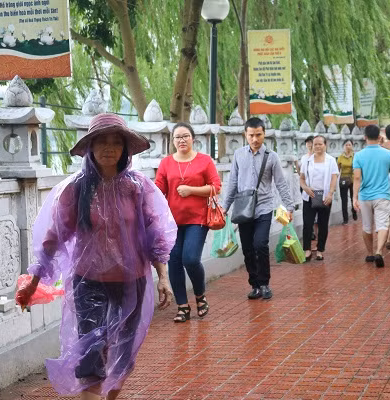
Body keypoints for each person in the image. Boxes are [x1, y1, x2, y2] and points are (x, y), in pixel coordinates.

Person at [15, 113, 177, 400]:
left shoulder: (137, 187)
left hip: (131, 281)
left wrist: (163, 277)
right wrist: (34, 282)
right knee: (91, 354)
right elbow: (54, 236)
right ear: (90, 147)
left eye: (116, 142)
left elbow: (155, 233)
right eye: (102, 141)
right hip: (88, 281)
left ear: (125, 149)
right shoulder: (76, 189)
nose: (109, 148)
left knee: (123, 352)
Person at [155, 122, 221, 323]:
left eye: (185, 136)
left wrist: (191, 190)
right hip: (173, 222)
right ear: (172, 141)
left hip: (197, 219)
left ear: (193, 138)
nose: (181, 140)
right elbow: (158, 190)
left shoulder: (204, 161)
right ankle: (182, 306)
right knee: (174, 261)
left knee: (190, 259)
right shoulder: (166, 163)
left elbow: (216, 187)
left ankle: (200, 295)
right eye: (177, 137)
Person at [223, 117, 294, 300]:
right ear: (245, 135)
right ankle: (254, 285)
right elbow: (232, 183)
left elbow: (281, 183)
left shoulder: (272, 156)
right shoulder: (238, 155)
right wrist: (224, 207)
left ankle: (264, 283)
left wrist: (289, 207)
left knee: (260, 244)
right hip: (243, 209)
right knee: (247, 249)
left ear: (264, 134)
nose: (255, 139)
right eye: (251, 135)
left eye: (258, 135)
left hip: (264, 207)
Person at [352, 125, 390, 267]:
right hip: (382, 195)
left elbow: (357, 178)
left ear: (365, 137)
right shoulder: (388, 154)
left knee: (367, 226)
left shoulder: (358, 155)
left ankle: (370, 254)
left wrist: (354, 197)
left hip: (365, 196)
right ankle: (379, 251)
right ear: (379, 137)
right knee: (382, 224)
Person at [300, 135, 339, 261]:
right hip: (309, 196)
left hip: (325, 196)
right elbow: (301, 178)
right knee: (307, 223)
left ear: (325, 145)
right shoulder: (307, 160)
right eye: (315, 144)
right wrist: (306, 188)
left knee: (323, 224)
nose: (317, 146)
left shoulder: (331, 160)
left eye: (320, 144)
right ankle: (307, 250)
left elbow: (334, 178)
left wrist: (330, 194)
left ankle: (320, 250)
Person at [337, 139, 358, 224]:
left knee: (354, 198)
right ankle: (345, 219)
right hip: (343, 180)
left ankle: (354, 211)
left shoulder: (355, 156)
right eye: (346, 145)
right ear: (343, 146)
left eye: (349, 145)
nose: (348, 146)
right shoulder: (340, 157)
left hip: (353, 180)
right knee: (344, 200)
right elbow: (337, 170)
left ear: (352, 146)